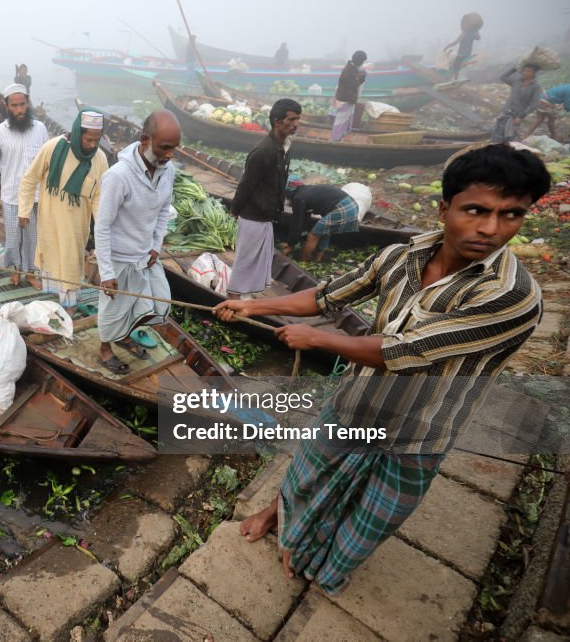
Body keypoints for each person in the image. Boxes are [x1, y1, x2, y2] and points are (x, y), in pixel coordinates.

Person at [214, 143, 548, 596]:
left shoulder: (513, 296)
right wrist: (253, 305)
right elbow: (326, 296)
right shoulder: (401, 256)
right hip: (356, 403)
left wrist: (319, 338)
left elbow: (409, 349)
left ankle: (323, 570)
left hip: (418, 433)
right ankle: (277, 514)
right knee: (305, 477)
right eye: (476, 210)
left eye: (512, 215)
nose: (491, 228)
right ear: (444, 207)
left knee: (364, 526)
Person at [94, 110, 181, 374]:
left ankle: (124, 336)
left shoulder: (168, 171)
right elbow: (103, 225)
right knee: (111, 312)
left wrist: (156, 245)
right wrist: (106, 272)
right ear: (145, 140)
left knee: (155, 304)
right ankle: (105, 349)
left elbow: (164, 210)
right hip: (119, 258)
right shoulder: (118, 176)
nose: (169, 154)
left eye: (174, 149)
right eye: (164, 147)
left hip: (146, 255)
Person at [18, 109, 108, 309]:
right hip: (50, 219)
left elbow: (99, 197)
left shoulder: (100, 159)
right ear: (78, 133)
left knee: (71, 262)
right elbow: (30, 178)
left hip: (76, 225)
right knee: (50, 257)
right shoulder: (52, 147)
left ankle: (70, 303)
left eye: (96, 140)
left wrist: (103, 230)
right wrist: (24, 210)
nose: (92, 145)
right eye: (88, 140)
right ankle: (57, 296)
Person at [0, 83, 49, 288]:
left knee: (32, 237)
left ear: (28, 104)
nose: (19, 110)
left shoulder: (40, 129)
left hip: (35, 195)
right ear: (6, 106)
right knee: (14, 237)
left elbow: (47, 163)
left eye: (22, 104)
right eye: (14, 105)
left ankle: (31, 273)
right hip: (10, 194)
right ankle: (16, 269)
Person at [227, 99, 302, 298]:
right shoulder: (264, 151)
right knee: (245, 259)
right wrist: (234, 210)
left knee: (258, 259)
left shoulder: (284, 146)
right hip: (253, 215)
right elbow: (246, 184)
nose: (295, 124)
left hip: (266, 215)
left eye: (298, 119)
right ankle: (233, 296)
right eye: (291, 119)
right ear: (277, 121)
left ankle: (245, 295)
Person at [283, 184, 360, 262]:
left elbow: (297, 223)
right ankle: (318, 259)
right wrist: (295, 240)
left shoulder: (298, 198)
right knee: (324, 232)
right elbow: (304, 219)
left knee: (313, 236)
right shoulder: (305, 191)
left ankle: (304, 261)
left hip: (344, 209)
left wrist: (291, 244)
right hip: (352, 205)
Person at [490, 64, 542, 143]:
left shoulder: (535, 87)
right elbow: (502, 77)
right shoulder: (516, 80)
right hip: (506, 111)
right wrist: (514, 69)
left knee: (509, 137)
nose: (524, 72)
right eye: (524, 70)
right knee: (497, 134)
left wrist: (521, 117)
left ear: (534, 73)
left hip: (517, 115)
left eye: (528, 71)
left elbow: (534, 104)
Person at [330, 51, 367, 141]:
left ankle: (340, 139)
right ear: (359, 61)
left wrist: (360, 76)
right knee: (340, 123)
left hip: (347, 100)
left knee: (345, 122)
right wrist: (362, 78)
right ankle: (334, 141)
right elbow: (354, 84)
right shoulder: (349, 70)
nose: (363, 63)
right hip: (344, 100)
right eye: (362, 61)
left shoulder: (352, 68)